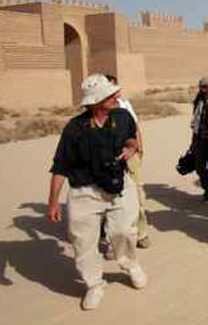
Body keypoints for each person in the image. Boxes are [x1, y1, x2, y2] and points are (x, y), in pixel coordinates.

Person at [47, 74, 148, 310]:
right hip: (85, 192)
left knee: (124, 231)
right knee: (83, 242)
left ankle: (130, 264)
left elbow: (132, 140)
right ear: (97, 100)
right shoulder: (75, 128)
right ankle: (94, 284)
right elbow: (61, 166)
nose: (118, 97)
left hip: (119, 185)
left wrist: (132, 148)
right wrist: (53, 202)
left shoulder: (123, 117)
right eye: (112, 95)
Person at [104, 74, 150, 249]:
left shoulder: (125, 106)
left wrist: (139, 149)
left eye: (115, 88)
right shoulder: (94, 110)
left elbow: (135, 128)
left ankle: (141, 233)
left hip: (130, 157)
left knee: (137, 197)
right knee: (109, 200)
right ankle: (112, 242)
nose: (115, 92)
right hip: (106, 160)